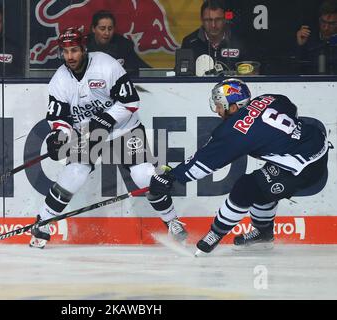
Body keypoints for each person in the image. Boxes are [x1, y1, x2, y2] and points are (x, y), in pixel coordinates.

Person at [29, 27, 187, 249]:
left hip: (124, 130)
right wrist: (59, 137)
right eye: (65, 52)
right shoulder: (59, 81)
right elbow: (59, 118)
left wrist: (105, 120)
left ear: (84, 48)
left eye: (74, 50)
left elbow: (131, 102)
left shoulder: (106, 65)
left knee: (143, 175)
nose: (70, 57)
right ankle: (42, 223)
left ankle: (172, 221)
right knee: (73, 174)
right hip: (87, 134)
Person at [150, 78, 330, 255]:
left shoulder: (234, 131)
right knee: (262, 187)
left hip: (300, 167)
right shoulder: (268, 98)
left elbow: (204, 161)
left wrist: (173, 176)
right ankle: (263, 234)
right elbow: (292, 110)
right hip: (317, 147)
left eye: (219, 106)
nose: (218, 111)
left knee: (245, 188)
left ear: (234, 107)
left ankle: (214, 235)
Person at [181, 0, 248, 75]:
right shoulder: (190, 42)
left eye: (218, 19)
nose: (213, 25)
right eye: (208, 20)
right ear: (202, 20)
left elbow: (251, 72)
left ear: (225, 19)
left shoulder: (239, 41)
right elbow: (182, 75)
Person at [86, 10, 150, 77]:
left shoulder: (124, 45)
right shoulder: (83, 45)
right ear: (93, 29)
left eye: (110, 29)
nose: (107, 33)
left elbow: (141, 70)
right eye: (102, 29)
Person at [296, 0, 337, 74]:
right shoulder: (308, 37)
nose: (326, 27)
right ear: (319, 19)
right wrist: (300, 45)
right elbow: (296, 67)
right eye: (323, 22)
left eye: (332, 23)